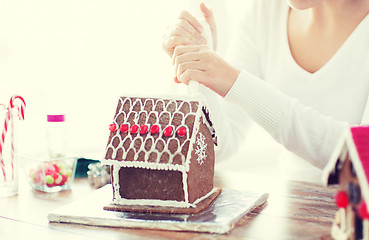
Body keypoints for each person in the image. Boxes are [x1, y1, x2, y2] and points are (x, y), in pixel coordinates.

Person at [162, 0, 369, 184]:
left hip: (358, 215)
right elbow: (220, 145)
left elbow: (360, 156)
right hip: (295, 213)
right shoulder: (265, 10)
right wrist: (200, 77)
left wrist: (235, 82)